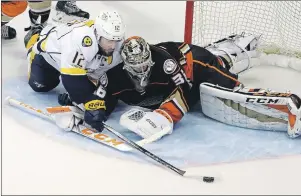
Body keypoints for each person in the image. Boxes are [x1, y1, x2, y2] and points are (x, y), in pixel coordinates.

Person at [58, 35, 301, 140]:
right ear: (125, 65)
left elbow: (186, 91)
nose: (142, 71)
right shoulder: (114, 75)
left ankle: (288, 105)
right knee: (220, 61)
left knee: (229, 87)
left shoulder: (166, 64)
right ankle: (231, 49)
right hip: (180, 68)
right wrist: (85, 111)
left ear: (150, 59)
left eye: (145, 65)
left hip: (193, 62)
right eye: (136, 67)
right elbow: (102, 99)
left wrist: (166, 115)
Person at [24, 10, 126, 132]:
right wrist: (90, 103)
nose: (113, 46)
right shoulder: (79, 40)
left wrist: (95, 104)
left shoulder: (113, 40)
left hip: (83, 61)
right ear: (97, 34)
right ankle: (34, 38)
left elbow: (111, 79)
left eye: (116, 40)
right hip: (49, 56)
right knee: (41, 85)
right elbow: (71, 78)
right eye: (109, 41)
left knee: (100, 101)